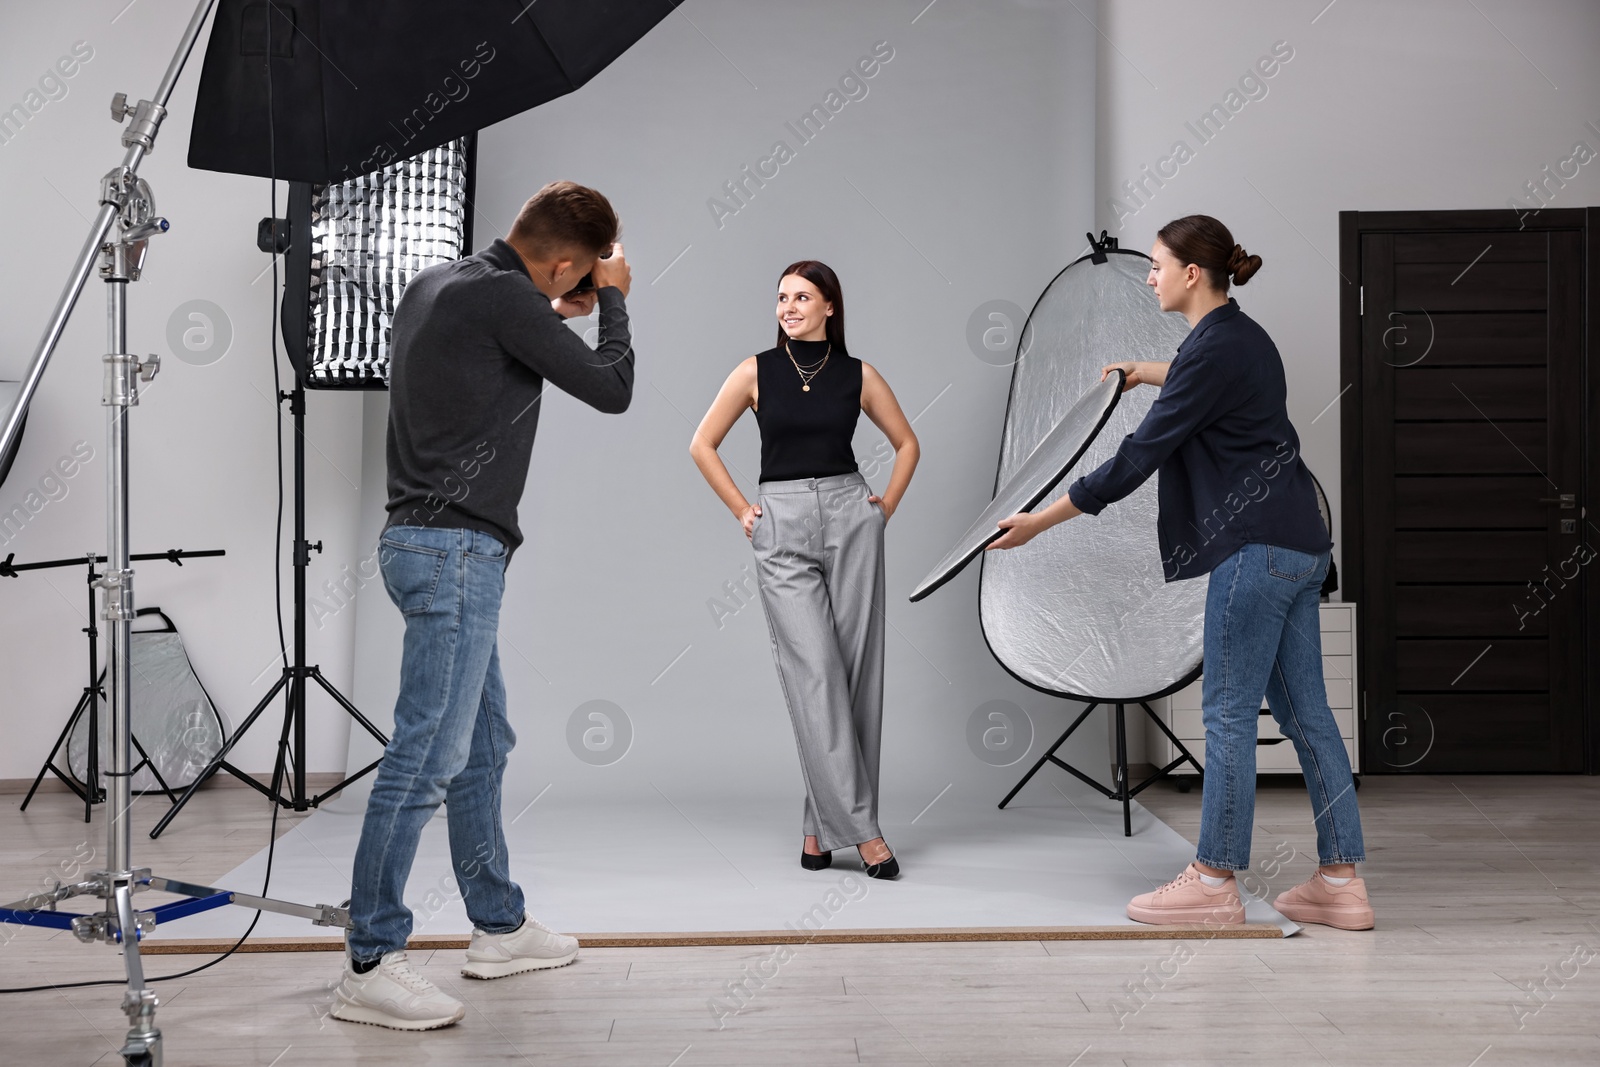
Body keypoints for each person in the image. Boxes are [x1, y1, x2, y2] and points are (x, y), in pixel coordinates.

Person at [987, 215, 1373, 931]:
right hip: (1301, 545)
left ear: (1193, 273)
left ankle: (1213, 879)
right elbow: (1207, 380)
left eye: (1158, 265)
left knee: (1226, 712)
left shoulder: (1212, 351)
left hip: (1254, 551)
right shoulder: (1242, 337)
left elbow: (1137, 458)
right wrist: (1143, 369)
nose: (1149, 275)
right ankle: (1341, 880)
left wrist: (1038, 521)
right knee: (1307, 715)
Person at [332, 181, 636, 1030]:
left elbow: (487, 358)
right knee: (426, 754)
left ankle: (497, 925)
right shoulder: (509, 299)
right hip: (457, 553)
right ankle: (370, 959)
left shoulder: (441, 285)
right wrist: (612, 302)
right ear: (569, 263)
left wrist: (557, 306)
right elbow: (613, 388)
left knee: (481, 742)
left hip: (417, 544)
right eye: (580, 275)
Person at [689, 260, 920, 879]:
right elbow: (701, 444)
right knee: (813, 673)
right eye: (782, 297)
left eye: (801, 297)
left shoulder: (858, 374)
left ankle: (821, 831)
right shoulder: (753, 372)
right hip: (782, 523)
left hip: (852, 514)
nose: (787, 307)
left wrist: (884, 508)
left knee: (855, 674)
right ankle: (866, 834)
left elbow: (907, 444)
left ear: (829, 308)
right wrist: (745, 511)